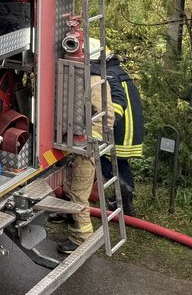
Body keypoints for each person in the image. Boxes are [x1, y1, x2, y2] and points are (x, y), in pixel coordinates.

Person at [59, 38, 111, 254]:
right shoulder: (89, 77)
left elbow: (105, 117)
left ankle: (80, 238)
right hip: (79, 145)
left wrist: (91, 141)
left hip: (88, 147)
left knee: (79, 192)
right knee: (71, 186)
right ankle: (71, 219)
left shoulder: (94, 81)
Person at [95, 44, 144, 216]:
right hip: (131, 126)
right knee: (121, 162)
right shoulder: (119, 71)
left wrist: (107, 125)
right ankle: (124, 199)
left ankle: (121, 187)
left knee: (97, 156)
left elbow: (116, 102)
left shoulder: (109, 75)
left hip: (121, 127)